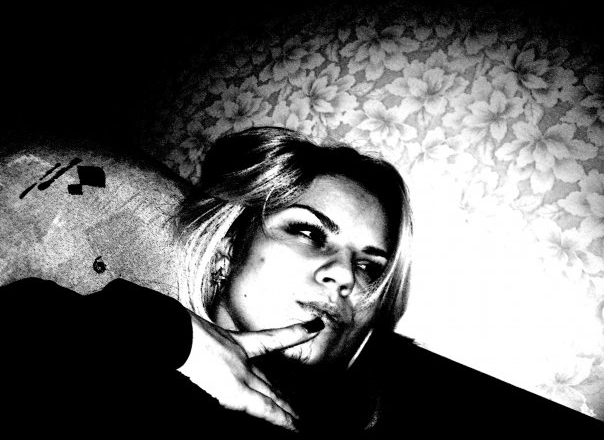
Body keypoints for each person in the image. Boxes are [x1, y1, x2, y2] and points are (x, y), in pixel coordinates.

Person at [0, 127, 600, 437]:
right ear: (231, 247)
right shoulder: (111, 359)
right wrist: (169, 337)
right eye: (310, 232)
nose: (344, 276)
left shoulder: (390, 408)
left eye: (369, 266)